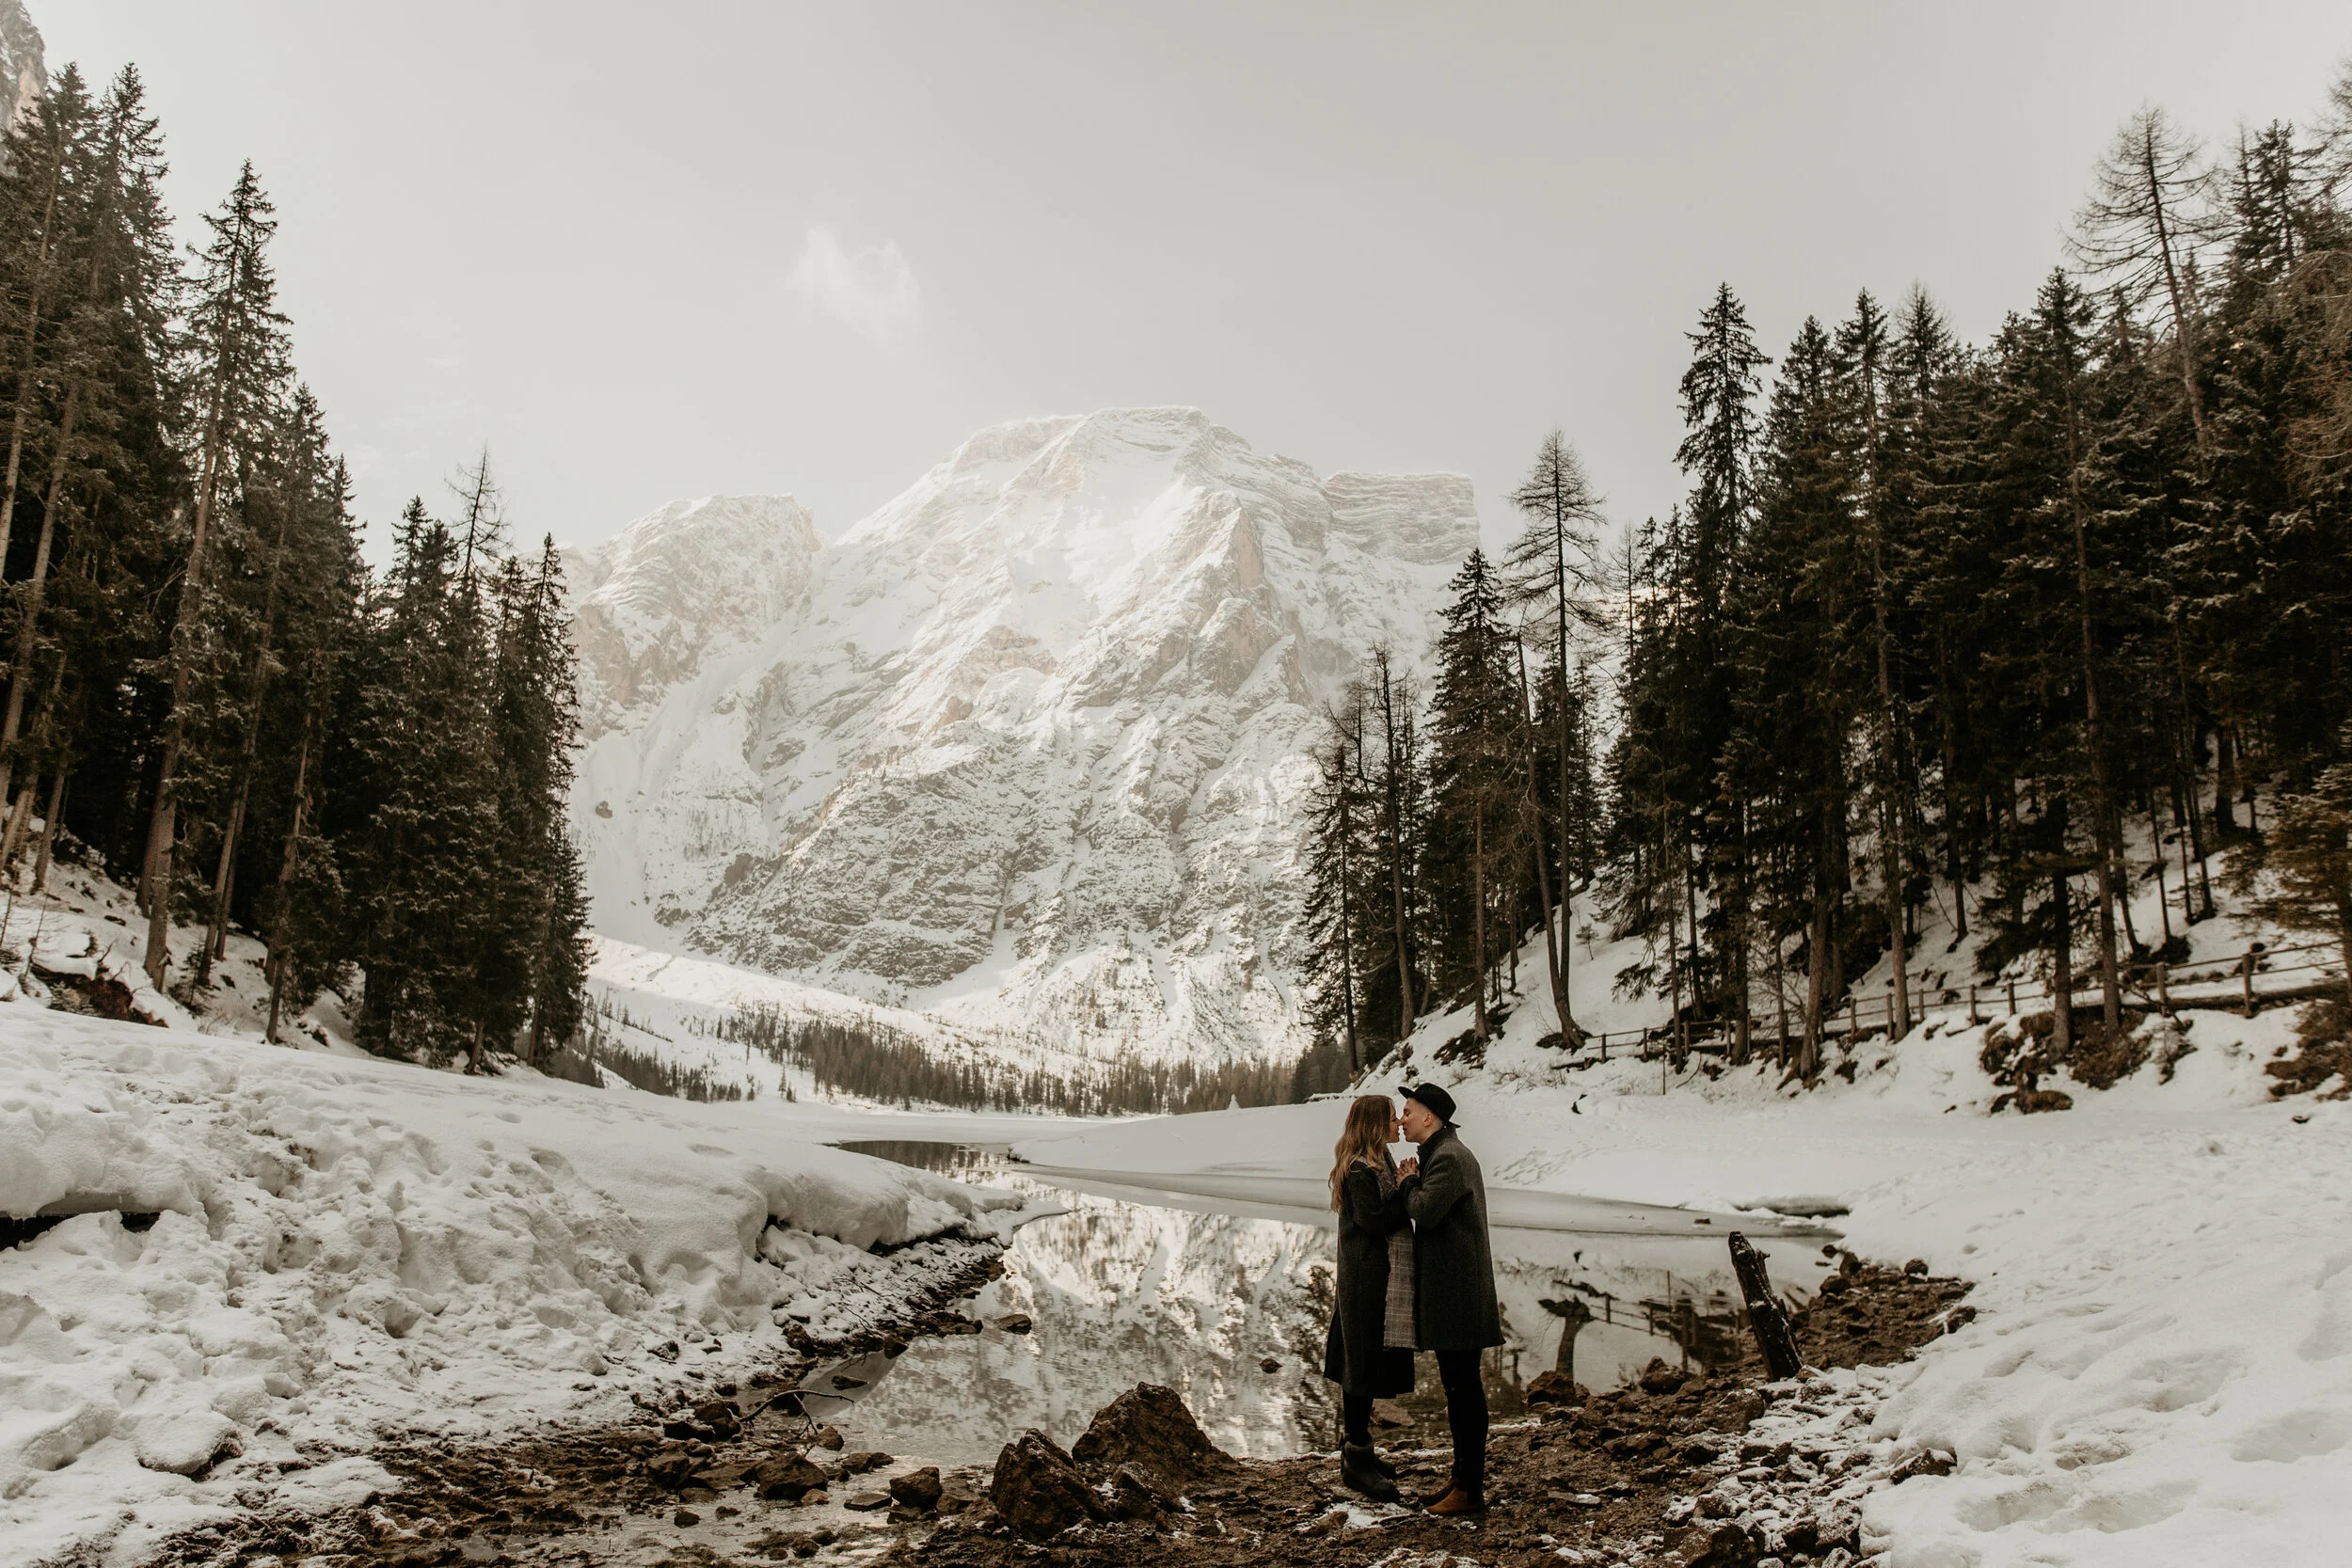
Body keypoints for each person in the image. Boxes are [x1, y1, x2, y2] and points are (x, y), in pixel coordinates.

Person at [1399, 1080, 1501, 1515]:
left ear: (1429, 1117)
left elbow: (1425, 1211)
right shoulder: (1443, 1155)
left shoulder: (1450, 1158)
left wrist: (1406, 1183)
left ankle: (1469, 1491)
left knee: (1463, 1392)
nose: (1401, 1119)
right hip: (1456, 1292)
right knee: (1459, 1389)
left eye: (1408, 1112)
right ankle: (1462, 1482)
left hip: (1459, 1295)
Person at [1319, 1093, 1416, 1502]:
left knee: (1363, 1362)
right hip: (1365, 1281)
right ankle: (1356, 1459)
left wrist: (1402, 1182)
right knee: (1360, 1364)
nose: (1398, 1124)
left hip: (1371, 1277)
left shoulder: (1376, 1162)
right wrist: (1408, 1187)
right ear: (1376, 1125)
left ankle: (1358, 1451)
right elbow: (1374, 1221)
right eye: (1393, 1118)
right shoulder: (1361, 1170)